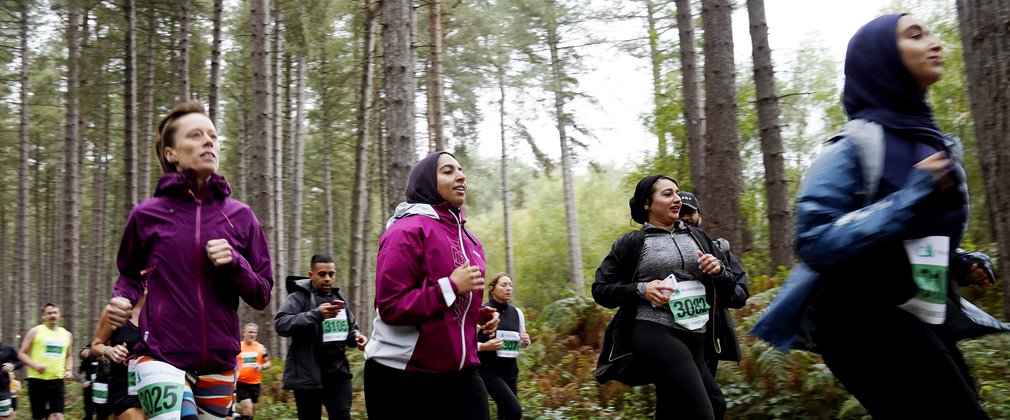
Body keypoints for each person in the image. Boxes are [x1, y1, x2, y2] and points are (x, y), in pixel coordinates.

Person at [784, 14, 1006, 419]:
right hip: (857, 319)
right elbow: (813, 240)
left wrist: (960, 261)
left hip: (913, 313)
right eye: (915, 35)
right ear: (880, 57)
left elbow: (907, 241)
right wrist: (911, 197)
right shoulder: (851, 147)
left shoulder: (931, 141)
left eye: (932, 33)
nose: (935, 43)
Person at [105, 100, 274, 419]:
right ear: (171, 153)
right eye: (195, 135)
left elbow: (262, 293)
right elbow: (129, 276)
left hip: (220, 362)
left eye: (212, 135)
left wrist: (235, 263)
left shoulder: (241, 216)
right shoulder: (146, 215)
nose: (208, 141)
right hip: (159, 356)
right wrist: (120, 300)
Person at [363, 151, 500, 420]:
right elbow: (390, 307)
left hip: (461, 372)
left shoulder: (470, 240)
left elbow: (450, 299)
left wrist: (474, 313)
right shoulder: (405, 231)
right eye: (448, 171)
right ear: (426, 182)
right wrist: (449, 287)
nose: (460, 176)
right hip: (402, 375)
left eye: (461, 171)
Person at [593, 175, 736, 420]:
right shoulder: (633, 243)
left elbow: (730, 288)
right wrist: (641, 289)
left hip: (696, 334)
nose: (677, 199)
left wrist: (719, 271)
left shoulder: (698, 238)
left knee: (704, 405)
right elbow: (601, 289)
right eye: (667, 194)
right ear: (647, 203)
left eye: (677, 193)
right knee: (703, 412)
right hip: (654, 330)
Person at [275, 255, 367, 420]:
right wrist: (316, 315)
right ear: (311, 275)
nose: (327, 278)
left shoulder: (339, 299)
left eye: (331, 274)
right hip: (307, 377)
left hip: (338, 375)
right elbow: (281, 324)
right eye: (322, 274)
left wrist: (356, 336)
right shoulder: (298, 297)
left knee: (342, 415)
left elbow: (351, 327)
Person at [677, 191, 750, 375]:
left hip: (707, 341)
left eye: (690, 212)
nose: (686, 218)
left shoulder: (719, 251)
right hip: (671, 339)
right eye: (681, 213)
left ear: (699, 216)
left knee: (708, 397)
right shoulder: (658, 252)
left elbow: (740, 296)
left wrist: (719, 277)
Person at [477, 273, 531, 420]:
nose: (508, 289)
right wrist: (484, 346)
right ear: (492, 289)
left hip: (511, 371)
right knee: (514, 411)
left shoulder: (517, 312)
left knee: (506, 414)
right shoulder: (482, 311)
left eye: (510, 285)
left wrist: (525, 341)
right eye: (504, 285)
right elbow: (467, 343)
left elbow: (521, 341)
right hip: (489, 371)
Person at [90, 289, 145, 420]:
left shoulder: (166, 309)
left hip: (159, 388)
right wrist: (109, 351)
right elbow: (95, 345)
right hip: (125, 390)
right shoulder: (116, 309)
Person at [18, 303, 73, 420]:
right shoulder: (35, 331)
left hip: (57, 381)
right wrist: (35, 365)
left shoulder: (67, 334)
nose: (52, 315)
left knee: (57, 416)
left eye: (55, 313)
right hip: (37, 381)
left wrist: (68, 370)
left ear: (59, 315)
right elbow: (21, 353)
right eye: (49, 313)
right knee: (40, 417)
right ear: (43, 316)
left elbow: (69, 356)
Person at [233, 323, 271, 420]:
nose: (252, 334)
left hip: (255, 384)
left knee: (251, 414)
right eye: (250, 332)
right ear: (244, 334)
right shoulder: (238, 346)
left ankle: (236, 418)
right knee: (248, 408)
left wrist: (261, 366)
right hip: (241, 383)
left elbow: (268, 363)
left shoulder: (261, 347)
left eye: (254, 332)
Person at [78, 346, 109, 420]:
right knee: (89, 414)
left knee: (102, 414)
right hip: (89, 389)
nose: (85, 355)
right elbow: (78, 373)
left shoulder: (104, 357)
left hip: (101, 389)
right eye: (83, 355)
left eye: (85, 352)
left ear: (89, 349)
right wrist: (83, 381)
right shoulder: (86, 360)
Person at [0, 328, 23, 419]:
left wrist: (13, 366)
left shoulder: (8, 349)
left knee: (5, 417)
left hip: (3, 390)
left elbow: (21, 361)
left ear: (1, 334)